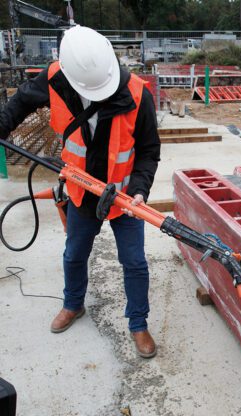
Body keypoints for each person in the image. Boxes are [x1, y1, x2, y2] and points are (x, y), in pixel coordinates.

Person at [0, 25, 161, 358]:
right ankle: (73, 304)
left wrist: (141, 191)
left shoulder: (136, 93)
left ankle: (138, 323)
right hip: (80, 189)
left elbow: (148, 150)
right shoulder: (57, 78)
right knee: (74, 254)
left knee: (134, 262)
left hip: (125, 195)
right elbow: (19, 104)